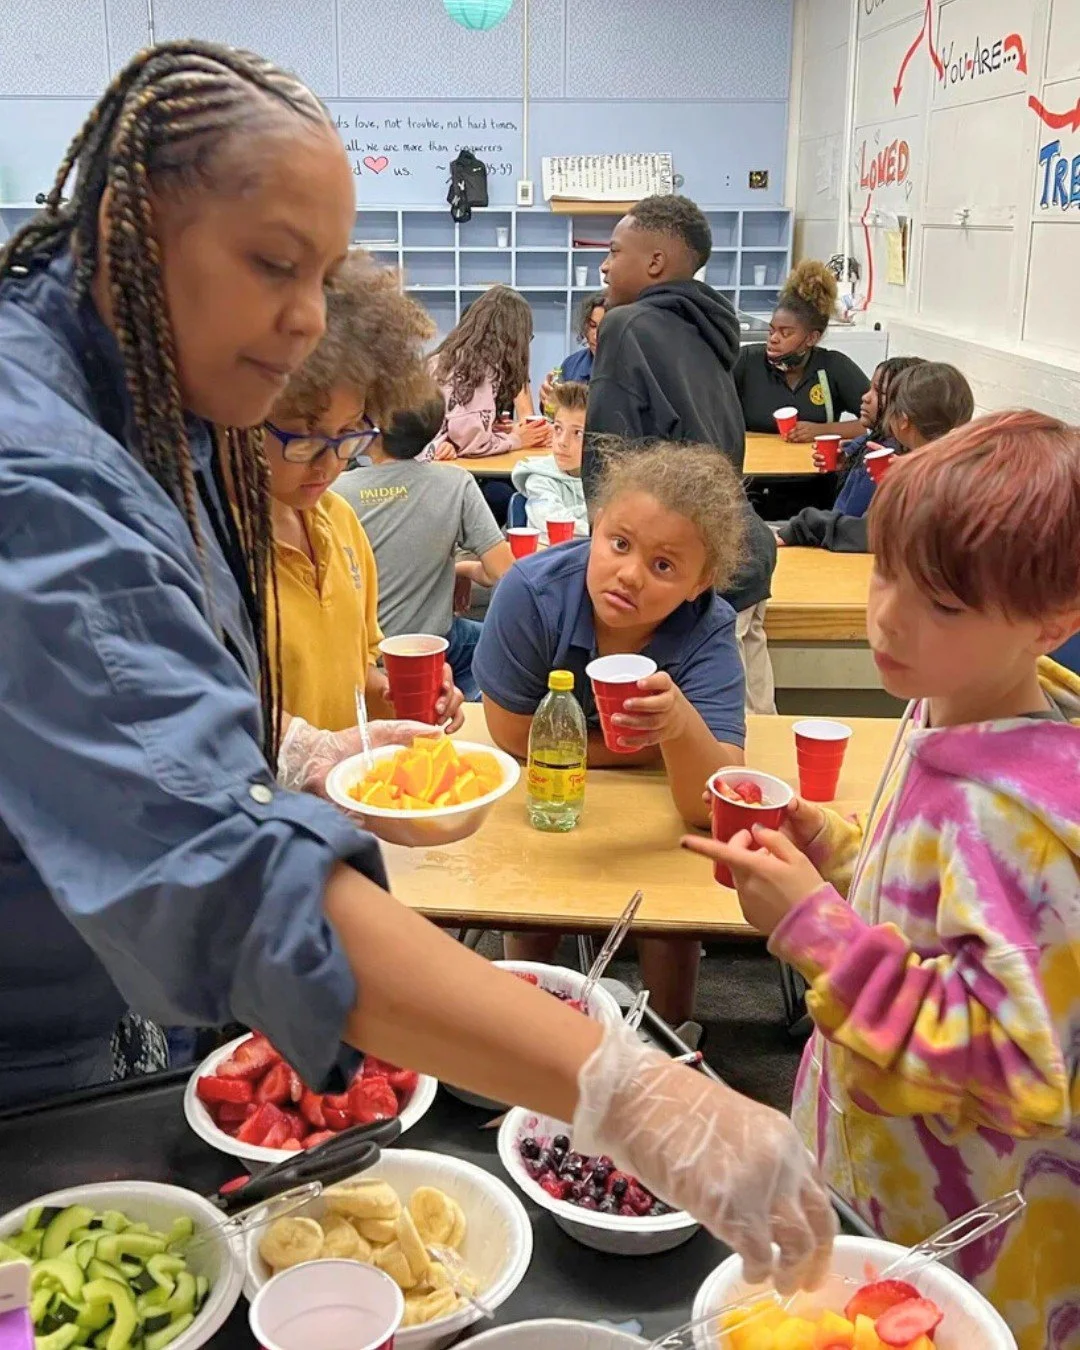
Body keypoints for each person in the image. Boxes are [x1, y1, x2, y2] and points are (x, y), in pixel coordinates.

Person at [0, 41, 836, 1287]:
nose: (303, 317)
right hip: (46, 1044)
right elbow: (220, 876)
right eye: (275, 265)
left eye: (322, 275)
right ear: (133, 221)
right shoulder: (38, 472)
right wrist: (632, 1089)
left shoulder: (161, 414)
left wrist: (284, 749)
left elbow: (140, 713)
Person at [684, 411, 1080, 1348]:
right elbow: (934, 907)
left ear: (1053, 624)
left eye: (943, 605)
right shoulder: (943, 711)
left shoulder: (1020, 819)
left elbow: (1018, 1065)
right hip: (883, 1175)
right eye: (887, 570)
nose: (890, 615)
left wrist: (818, 932)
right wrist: (836, 847)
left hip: (964, 1232)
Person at [475, 442, 748, 1025]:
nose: (629, 574)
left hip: (648, 813)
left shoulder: (707, 628)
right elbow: (507, 732)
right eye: (619, 544)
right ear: (594, 526)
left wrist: (676, 726)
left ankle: (671, 1035)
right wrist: (651, 750)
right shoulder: (530, 593)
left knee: (670, 877)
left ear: (700, 585)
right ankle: (527, 1026)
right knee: (530, 879)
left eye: (664, 566)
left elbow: (709, 803)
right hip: (543, 795)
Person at [582, 193, 779, 716]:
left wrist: (606, 548)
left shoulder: (628, 327)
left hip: (686, 569)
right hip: (739, 551)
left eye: (615, 249)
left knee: (702, 741)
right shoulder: (709, 331)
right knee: (757, 727)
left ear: (654, 262)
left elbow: (608, 466)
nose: (604, 263)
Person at [262, 250, 464, 749]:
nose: (329, 464)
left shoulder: (339, 520)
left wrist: (398, 695)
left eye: (351, 434)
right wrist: (307, 753)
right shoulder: (214, 551)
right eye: (304, 437)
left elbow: (357, 680)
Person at [338, 395, 512, 703]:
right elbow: (506, 574)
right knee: (500, 646)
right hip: (434, 645)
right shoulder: (456, 483)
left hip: (360, 661)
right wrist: (466, 569)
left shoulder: (336, 493)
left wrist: (458, 569)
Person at [778, 360, 973, 553]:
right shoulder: (967, 466)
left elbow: (873, 532)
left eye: (883, 396)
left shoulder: (918, 478)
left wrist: (806, 525)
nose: (865, 397)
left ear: (903, 421)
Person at [734, 260, 870, 443]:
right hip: (756, 469)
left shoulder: (834, 367)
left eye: (786, 333)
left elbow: (877, 422)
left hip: (816, 468)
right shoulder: (747, 361)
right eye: (771, 330)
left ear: (811, 338)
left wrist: (822, 431)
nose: (773, 339)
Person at [428, 286, 551, 461]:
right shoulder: (478, 369)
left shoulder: (446, 358)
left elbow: (460, 431)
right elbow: (472, 444)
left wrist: (492, 430)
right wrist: (517, 439)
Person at [511, 380, 589, 544]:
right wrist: (598, 525)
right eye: (558, 429)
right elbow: (554, 526)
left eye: (577, 433)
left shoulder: (607, 477)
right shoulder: (539, 478)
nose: (562, 441)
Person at [538, 291, 606, 412]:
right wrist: (548, 400)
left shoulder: (630, 367)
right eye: (592, 325)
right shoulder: (571, 365)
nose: (596, 336)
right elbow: (554, 417)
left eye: (604, 327)